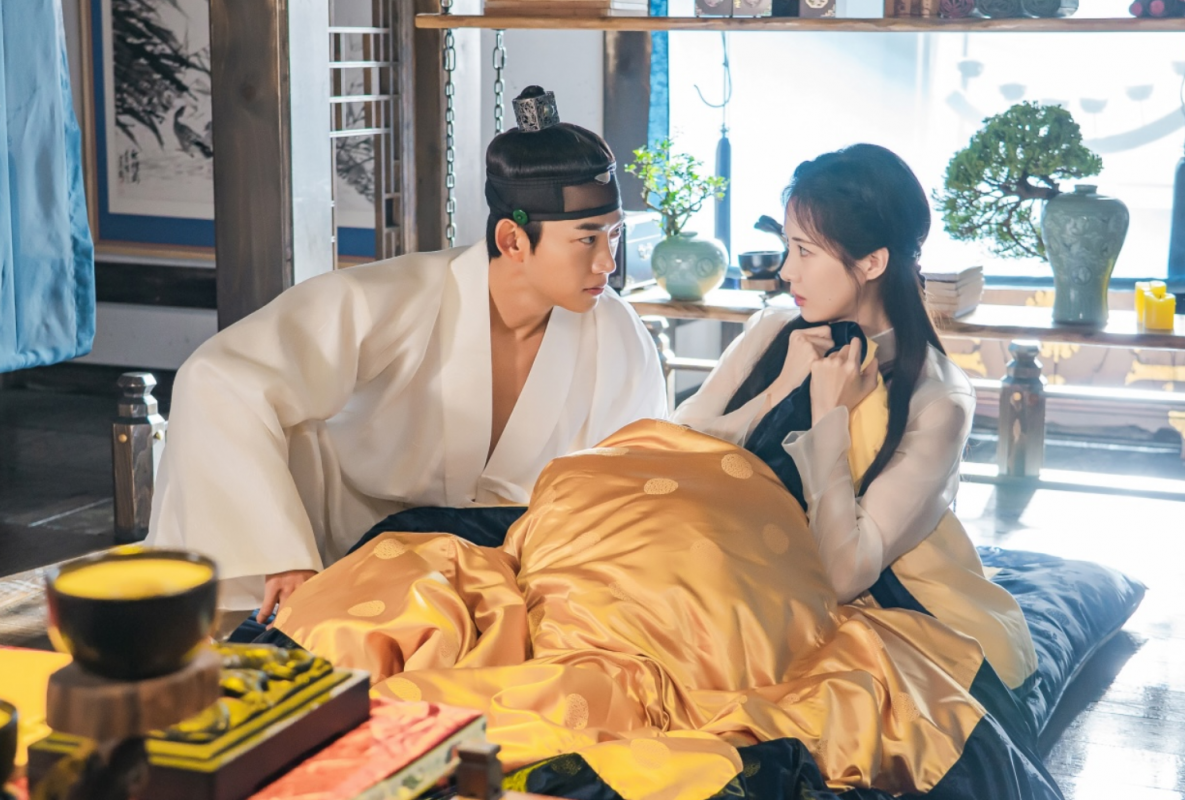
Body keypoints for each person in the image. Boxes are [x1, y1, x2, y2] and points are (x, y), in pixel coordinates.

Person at [147, 86, 668, 616]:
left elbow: (635, 472)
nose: (609, 263)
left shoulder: (615, 331)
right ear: (513, 240)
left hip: (523, 562)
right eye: (586, 239)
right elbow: (221, 377)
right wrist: (284, 554)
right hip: (355, 547)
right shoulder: (392, 297)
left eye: (615, 236)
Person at [674, 143, 1036, 691]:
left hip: (895, 612)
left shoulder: (938, 397)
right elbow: (676, 447)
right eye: (787, 247)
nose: (786, 270)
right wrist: (780, 391)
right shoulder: (773, 329)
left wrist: (830, 418)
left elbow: (845, 575)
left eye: (804, 251)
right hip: (752, 575)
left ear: (872, 262)